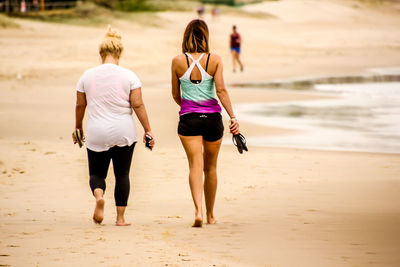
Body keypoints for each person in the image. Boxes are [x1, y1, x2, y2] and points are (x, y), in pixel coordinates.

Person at [73, 25, 155, 226]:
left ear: (100, 53)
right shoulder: (129, 76)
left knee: (96, 173)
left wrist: (78, 127)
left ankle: (99, 196)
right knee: (123, 174)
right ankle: (120, 218)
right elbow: (137, 104)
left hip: (96, 131)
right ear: (120, 52)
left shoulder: (86, 76)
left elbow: (80, 105)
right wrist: (147, 130)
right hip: (123, 131)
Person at [171, 19, 240, 227]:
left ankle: (198, 211)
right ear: (206, 36)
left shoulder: (177, 61)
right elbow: (221, 91)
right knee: (210, 168)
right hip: (212, 120)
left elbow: (176, 94)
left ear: (186, 36)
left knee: (194, 165)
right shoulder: (215, 60)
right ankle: (210, 215)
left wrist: (188, 108)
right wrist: (233, 117)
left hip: (189, 120)